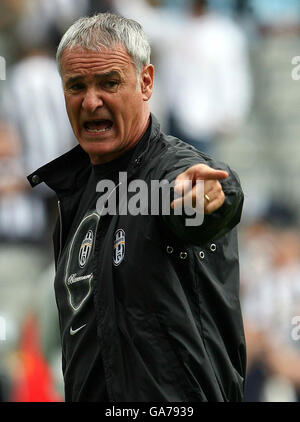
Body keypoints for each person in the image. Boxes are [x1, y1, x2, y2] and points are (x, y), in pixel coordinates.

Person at [28, 13, 246, 402]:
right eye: (76, 86)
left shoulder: (170, 172)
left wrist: (210, 200)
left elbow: (208, 194)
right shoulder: (74, 193)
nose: (91, 101)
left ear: (145, 82)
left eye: (109, 82)